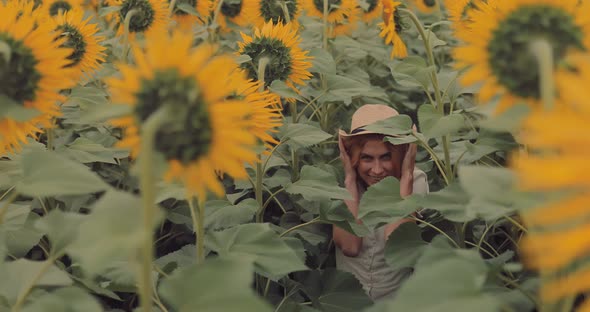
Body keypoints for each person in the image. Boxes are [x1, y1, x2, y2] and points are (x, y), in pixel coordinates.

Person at [334, 104, 429, 301]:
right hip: (348, 304)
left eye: (386, 157)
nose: (377, 170)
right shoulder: (340, 184)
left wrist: (407, 175)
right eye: (366, 158)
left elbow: (396, 241)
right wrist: (350, 180)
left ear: (401, 154)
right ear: (353, 158)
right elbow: (350, 247)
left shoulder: (415, 182)